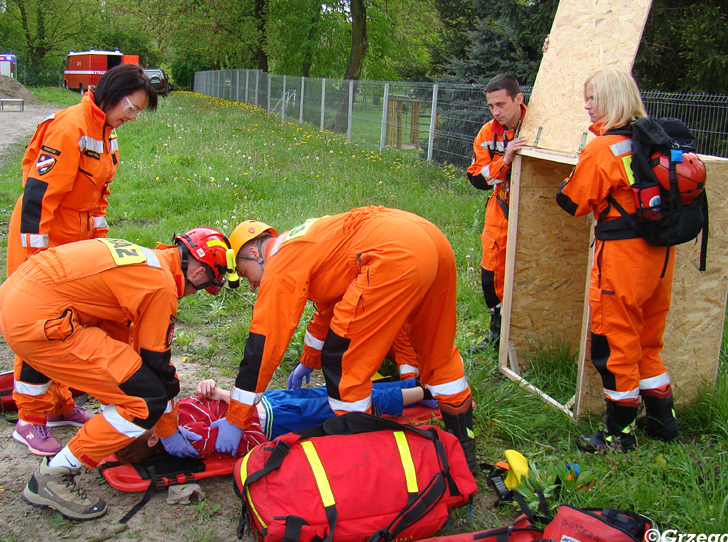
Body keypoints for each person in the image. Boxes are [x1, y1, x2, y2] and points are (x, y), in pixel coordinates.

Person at [212, 207, 478, 475]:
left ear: (254, 253)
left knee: (342, 364)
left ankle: (363, 460)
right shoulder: (307, 242)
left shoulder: (281, 263)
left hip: (396, 253)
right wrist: (308, 361)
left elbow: (264, 341)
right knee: (437, 350)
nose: (252, 285)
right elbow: (329, 305)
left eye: (245, 275)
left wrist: (237, 418)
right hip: (430, 238)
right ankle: (465, 450)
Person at [0, 226, 236, 520]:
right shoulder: (161, 286)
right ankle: (53, 476)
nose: (193, 294)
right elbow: (157, 366)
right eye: (204, 287)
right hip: (41, 321)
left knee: (132, 382)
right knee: (145, 401)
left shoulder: (144, 263)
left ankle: (58, 414)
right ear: (198, 274)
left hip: (16, 297)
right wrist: (167, 429)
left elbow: (123, 350)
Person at [5, 64, 159, 457]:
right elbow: (39, 199)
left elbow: (98, 201)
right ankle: (30, 420)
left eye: (139, 111)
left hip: (77, 244)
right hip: (43, 240)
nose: (133, 116)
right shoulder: (69, 127)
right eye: (133, 107)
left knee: (74, 327)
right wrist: (34, 261)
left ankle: (59, 405)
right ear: (113, 93)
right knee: (44, 328)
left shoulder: (107, 136)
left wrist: (102, 248)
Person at [556, 66, 679, 453]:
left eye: (592, 97)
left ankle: (617, 435)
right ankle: (662, 421)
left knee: (614, 344)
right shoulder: (656, 139)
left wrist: (570, 176)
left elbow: (571, 201)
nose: (587, 106)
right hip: (659, 254)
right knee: (647, 342)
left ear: (610, 98)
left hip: (622, 258)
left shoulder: (603, 147)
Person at [115, 378, 427, 463]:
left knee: (341, 389)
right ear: (153, 439)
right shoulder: (186, 442)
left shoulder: (171, 416)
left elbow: (205, 399)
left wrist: (207, 387)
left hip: (269, 402)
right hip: (277, 419)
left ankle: (413, 384)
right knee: (350, 406)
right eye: (139, 422)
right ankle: (428, 392)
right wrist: (225, 397)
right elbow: (244, 439)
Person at [466, 73, 527, 353]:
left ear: (518, 99)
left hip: (533, 211)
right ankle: (496, 337)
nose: (496, 112)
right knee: (491, 276)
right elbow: (478, 179)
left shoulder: (539, 124)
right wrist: (506, 159)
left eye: (501, 104)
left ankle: (520, 339)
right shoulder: (488, 133)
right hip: (500, 209)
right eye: (491, 106)